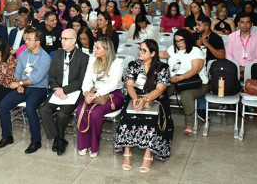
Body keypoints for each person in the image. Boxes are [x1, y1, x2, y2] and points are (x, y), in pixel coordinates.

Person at [115, 39, 173, 171]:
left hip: (155, 99)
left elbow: (159, 89)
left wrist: (145, 100)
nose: (140, 52)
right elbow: (129, 85)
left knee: (152, 120)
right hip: (135, 96)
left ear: (153, 53)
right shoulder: (133, 65)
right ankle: (127, 152)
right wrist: (135, 98)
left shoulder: (162, 68)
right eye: (140, 50)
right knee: (127, 117)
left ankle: (148, 154)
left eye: (144, 50)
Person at [0, 27, 52, 154]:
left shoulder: (45, 58)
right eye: (26, 39)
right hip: (23, 86)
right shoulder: (24, 54)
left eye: (29, 39)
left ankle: (36, 141)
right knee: (3, 105)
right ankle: (7, 136)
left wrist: (19, 83)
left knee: (30, 108)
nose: (26, 41)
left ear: (37, 42)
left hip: (39, 89)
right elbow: (18, 72)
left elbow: (36, 79)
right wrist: (19, 83)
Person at [39, 28, 88, 156]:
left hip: (74, 92)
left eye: (66, 39)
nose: (62, 41)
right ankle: (59, 138)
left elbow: (80, 81)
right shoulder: (57, 54)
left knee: (61, 115)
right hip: (57, 90)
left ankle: (58, 139)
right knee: (44, 110)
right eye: (62, 38)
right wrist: (57, 89)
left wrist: (64, 90)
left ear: (74, 41)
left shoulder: (83, 57)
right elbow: (52, 76)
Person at [76, 37, 125, 158]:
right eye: (95, 47)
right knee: (80, 109)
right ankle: (84, 144)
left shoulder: (117, 62)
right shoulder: (93, 60)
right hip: (93, 94)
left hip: (113, 95)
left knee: (95, 113)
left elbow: (113, 84)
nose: (95, 50)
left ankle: (94, 146)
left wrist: (96, 95)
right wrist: (86, 93)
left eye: (98, 48)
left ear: (107, 50)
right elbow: (87, 79)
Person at [159, 29, 207, 136]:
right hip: (176, 80)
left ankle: (189, 125)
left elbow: (195, 70)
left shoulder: (196, 51)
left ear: (188, 40)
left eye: (181, 40)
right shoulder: (173, 49)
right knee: (160, 90)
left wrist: (180, 78)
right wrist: (150, 51)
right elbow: (162, 54)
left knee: (186, 95)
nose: (179, 43)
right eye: (177, 41)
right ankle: (160, 118)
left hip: (196, 82)